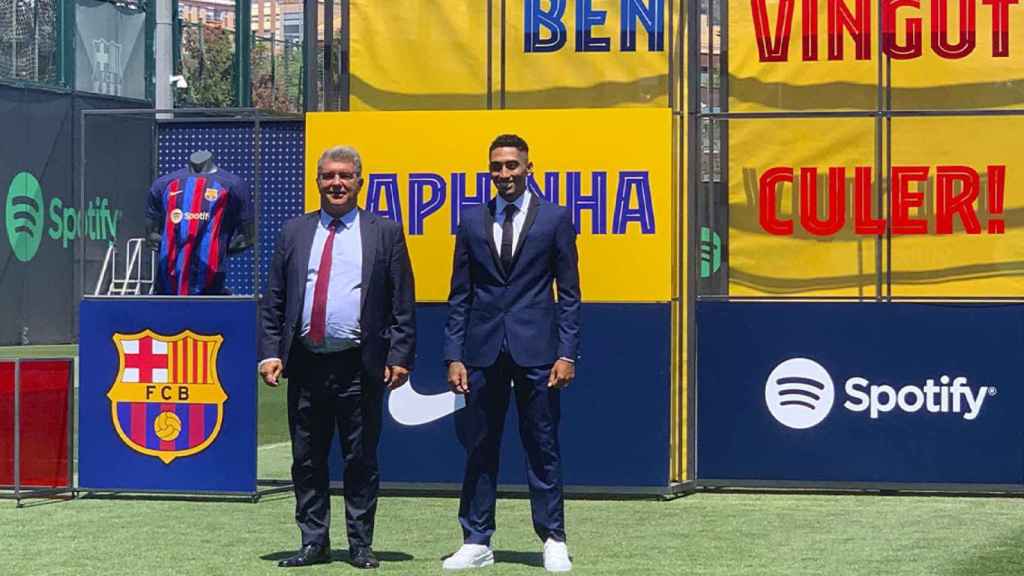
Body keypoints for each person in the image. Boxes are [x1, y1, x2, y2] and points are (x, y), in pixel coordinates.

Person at [258, 145, 416, 569]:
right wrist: (270, 353)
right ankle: (314, 541)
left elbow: (402, 303)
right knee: (306, 458)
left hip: (358, 365)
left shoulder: (384, 232)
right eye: (328, 176)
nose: (337, 184)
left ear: (359, 182)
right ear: (318, 182)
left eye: (345, 176)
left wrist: (400, 354)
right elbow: (274, 300)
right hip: (307, 363)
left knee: (360, 458)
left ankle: (360, 544)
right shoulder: (294, 231)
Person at [442, 134, 581, 572]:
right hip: (482, 350)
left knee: (542, 445)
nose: (504, 174)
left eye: (512, 166)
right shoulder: (470, 220)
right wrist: (453, 355)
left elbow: (570, 294)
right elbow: (459, 294)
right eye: (497, 167)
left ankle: (553, 537)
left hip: (538, 351)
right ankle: (477, 539)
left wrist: (567, 352)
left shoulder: (555, 219)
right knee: (480, 444)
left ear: (528, 168)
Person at [145, 150, 253, 295]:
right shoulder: (163, 185)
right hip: (167, 288)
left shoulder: (234, 185)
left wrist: (217, 250)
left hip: (212, 286)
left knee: (208, 316)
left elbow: (248, 237)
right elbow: (151, 236)